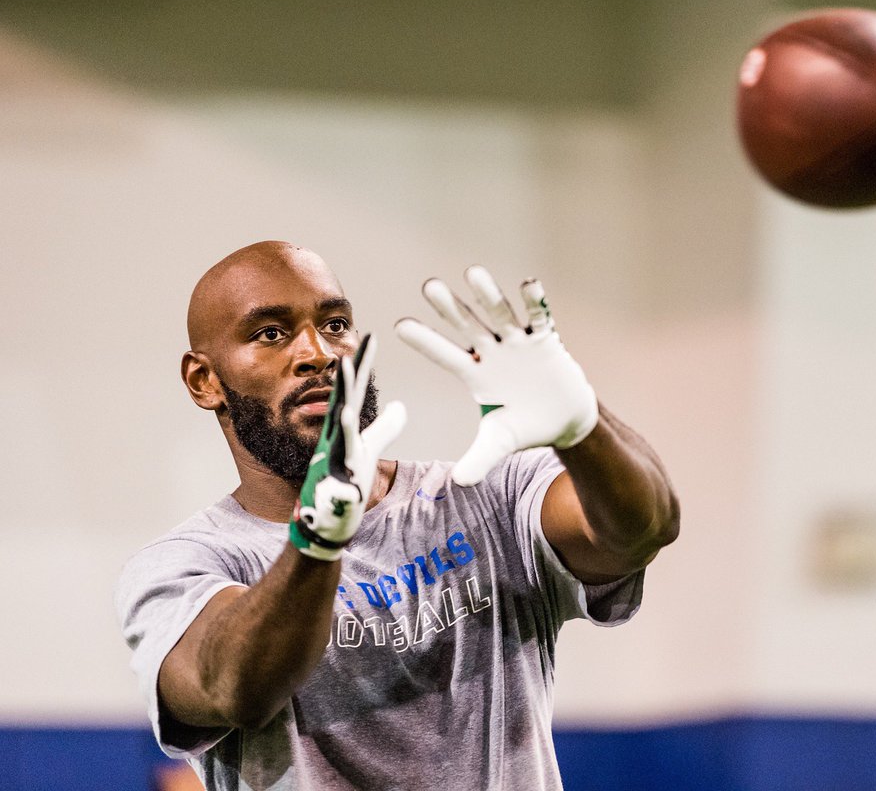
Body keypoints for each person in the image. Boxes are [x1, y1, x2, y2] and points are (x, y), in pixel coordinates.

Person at [116, 241, 679, 791]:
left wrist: (583, 425)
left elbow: (642, 530)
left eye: (335, 325)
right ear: (203, 380)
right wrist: (315, 543)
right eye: (271, 333)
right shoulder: (185, 564)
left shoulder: (488, 496)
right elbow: (235, 686)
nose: (316, 352)